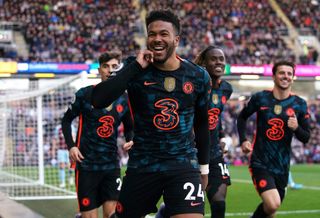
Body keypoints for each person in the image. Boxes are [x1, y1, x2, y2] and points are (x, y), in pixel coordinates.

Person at [92, 9, 211, 218]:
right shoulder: (134, 67)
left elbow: (202, 124)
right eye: (152, 34)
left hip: (182, 164)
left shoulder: (198, 76)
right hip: (144, 164)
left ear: (176, 39)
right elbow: (99, 99)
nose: (157, 39)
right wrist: (136, 67)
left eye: (163, 34)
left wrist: (204, 168)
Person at [62, 52, 134, 218]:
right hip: (86, 166)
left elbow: (130, 127)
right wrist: (71, 146)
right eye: (105, 66)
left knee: (112, 215)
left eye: (114, 66)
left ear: (119, 69)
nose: (109, 70)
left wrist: (130, 140)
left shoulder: (124, 99)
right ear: (99, 69)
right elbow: (66, 121)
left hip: (111, 165)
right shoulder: (84, 94)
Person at [237, 61, 310, 218]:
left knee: (271, 210)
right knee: (273, 203)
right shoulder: (260, 98)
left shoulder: (299, 104)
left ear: (293, 77)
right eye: (282, 73)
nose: (286, 76)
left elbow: (306, 137)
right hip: (260, 162)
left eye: (289, 73)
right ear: (274, 76)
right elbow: (242, 118)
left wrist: (296, 128)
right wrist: (243, 140)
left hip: (282, 166)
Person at [194, 46, 233, 218]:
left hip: (215, 153)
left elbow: (215, 117)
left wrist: (222, 137)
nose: (218, 62)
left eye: (221, 59)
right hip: (192, 152)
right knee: (191, 203)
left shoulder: (226, 89)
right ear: (204, 63)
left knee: (219, 202)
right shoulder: (195, 86)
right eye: (213, 58)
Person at [52, 122, 75, 188]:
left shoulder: (72, 127)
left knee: (69, 165)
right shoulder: (58, 128)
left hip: (69, 149)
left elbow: (74, 138)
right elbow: (55, 139)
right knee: (61, 165)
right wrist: (54, 150)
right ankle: (62, 182)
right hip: (61, 149)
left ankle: (70, 178)